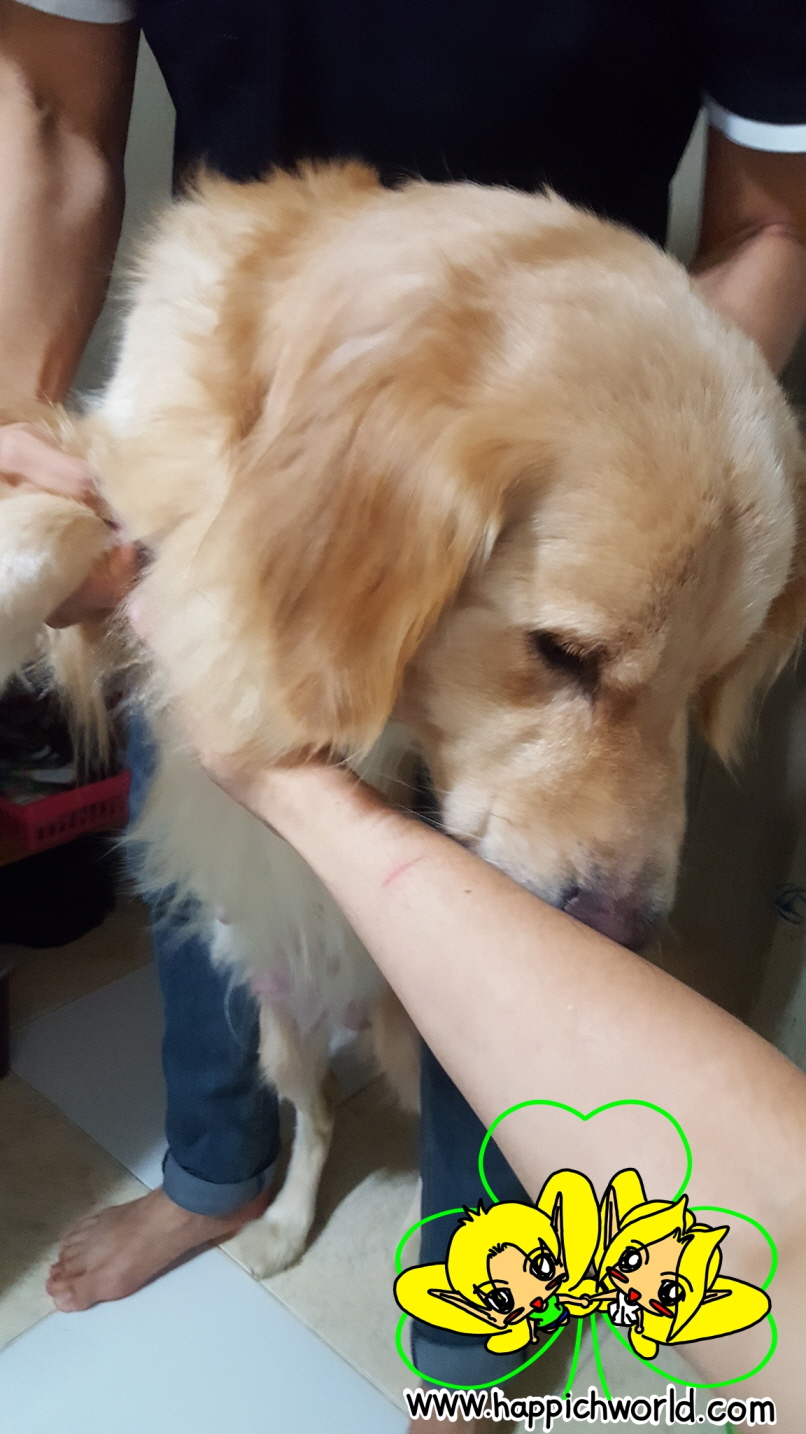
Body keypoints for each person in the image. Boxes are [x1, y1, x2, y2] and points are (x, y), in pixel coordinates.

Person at [0, 0, 804, 1413]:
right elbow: (54, 106)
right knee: (203, 860)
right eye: (576, 662)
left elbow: (775, 215)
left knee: (529, 954)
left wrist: (617, 437)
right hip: (265, 347)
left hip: (578, 383)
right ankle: (218, 1172)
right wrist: (22, 447)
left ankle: (484, 1301)